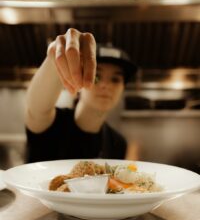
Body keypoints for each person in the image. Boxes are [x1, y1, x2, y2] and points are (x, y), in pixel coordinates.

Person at [25, 28, 139, 163]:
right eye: (96, 76)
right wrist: (54, 57)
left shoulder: (118, 143)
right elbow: (36, 109)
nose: (105, 85)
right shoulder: (52, 123)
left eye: (115, 79)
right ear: (77, 80)